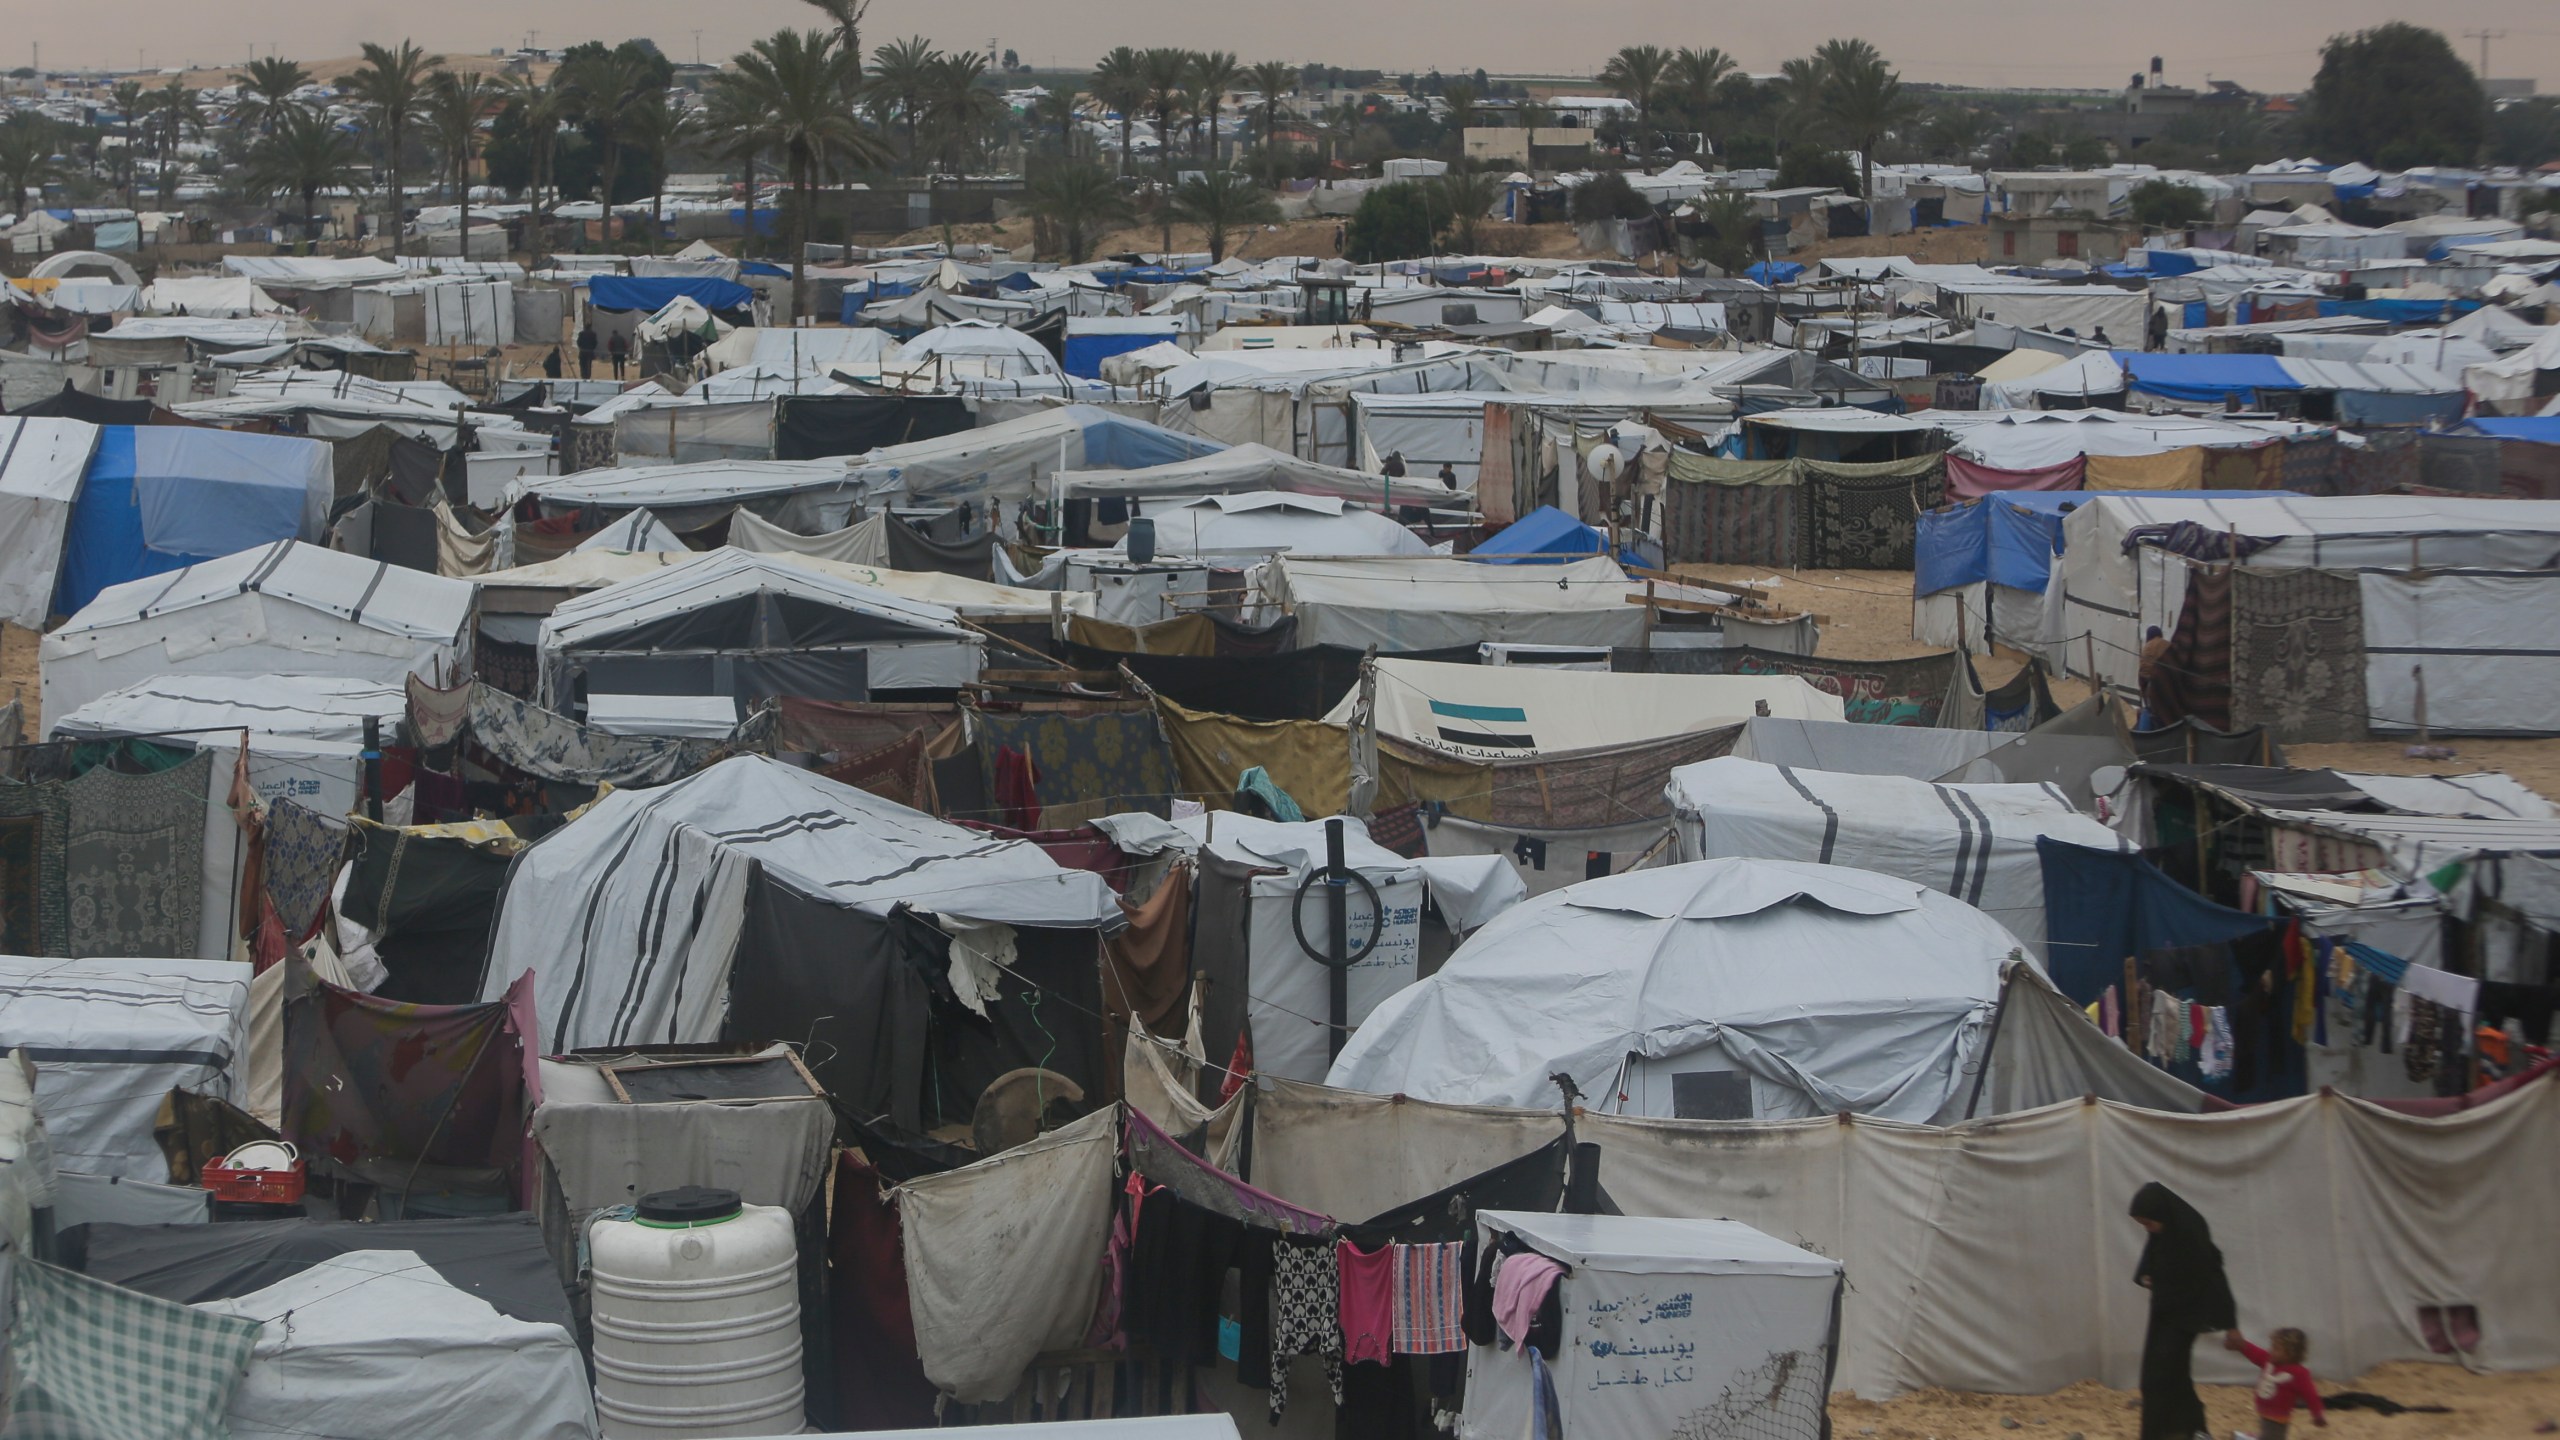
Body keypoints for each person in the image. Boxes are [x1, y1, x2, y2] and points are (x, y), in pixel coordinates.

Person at [2131, 1183, 2238, 1440]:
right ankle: (2192, 1430)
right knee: (2170, 1376)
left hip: (2186, 1316)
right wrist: (2148, 1276)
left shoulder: (2191, 1234)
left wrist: (2230, 1324)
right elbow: (2153, 1261)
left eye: (2149, 1223)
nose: (2148, 1230)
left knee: (2162, 1376)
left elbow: (2213, 1276)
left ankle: (2167, 1433)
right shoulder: (2163, 1235)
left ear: (2163, 1215)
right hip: (2164, 1313)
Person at [2224, 1328, 2325, 1440]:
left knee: (2271, 1436)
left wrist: (2317, 1414)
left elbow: (2310, 1395)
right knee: (2270, 1436)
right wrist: (2241, 1344)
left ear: (2290, 1353)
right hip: (2267, 1411)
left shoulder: (2299, 1373)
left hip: (2278, 1416)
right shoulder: (2270, 1361)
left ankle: (2243, 1437)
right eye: (2272, 1346)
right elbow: (2255, 1353)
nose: (2271, 1350)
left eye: (2276, 1348)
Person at [2137, 625, 2170, 729]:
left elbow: (2142, 677)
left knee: (2147, 712)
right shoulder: (2168, 645)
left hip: (2153, 687)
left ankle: (2143, 737)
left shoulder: (2147, 648)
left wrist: (2145, 701)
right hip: (2170, 687)